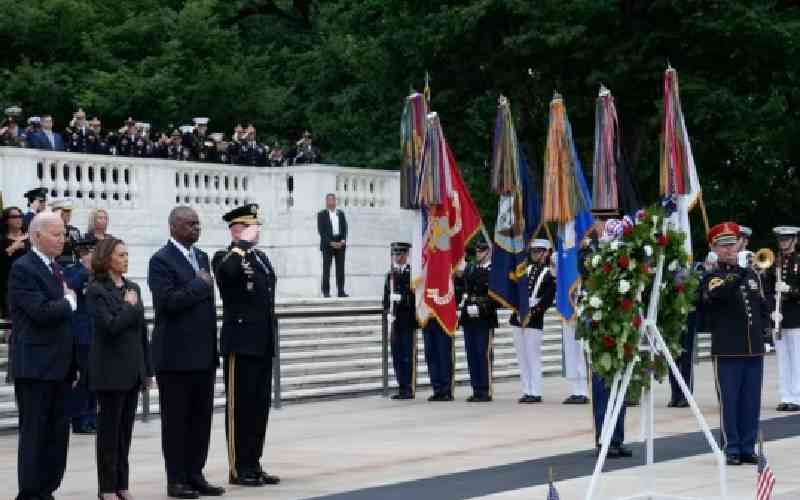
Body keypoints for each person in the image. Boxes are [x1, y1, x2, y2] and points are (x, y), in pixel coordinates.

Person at [147, 206, 224, 498]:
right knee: (176, 422)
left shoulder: (202, 257)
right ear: (174, 226)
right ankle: (176, 479)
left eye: (198, 224)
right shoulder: (161, 261)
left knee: (201, 420)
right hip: (176, 357)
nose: (196, 228)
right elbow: (168, 302)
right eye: (190, 224)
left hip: (203, 354)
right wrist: (198, 284)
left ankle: (195, 473)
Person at [9, 212, 77, 500]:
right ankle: (31, 492)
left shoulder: (55, 267)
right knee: (35, 434)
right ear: (36, 236)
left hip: (59, 367)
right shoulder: (23, 268)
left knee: (57, 434)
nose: (62, 240)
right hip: (35, 367)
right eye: (56, 234)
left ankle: (47, 488)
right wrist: (68, 302)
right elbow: (39, 311)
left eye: (63, 234)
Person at [212, 204, 280, 487]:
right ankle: (238, 467)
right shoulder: (224, 256)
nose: (257, 231)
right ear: (236, 229)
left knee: (258, 407)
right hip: (240, 343)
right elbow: (226, 275)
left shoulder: (261, 257)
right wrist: (240, 245)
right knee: (240, 408)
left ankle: (254, 462)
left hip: (262, 341)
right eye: (251, 226)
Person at [88, 237, 153, 500]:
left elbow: (141, 332)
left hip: (132, 370)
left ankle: (122, 484)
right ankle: (106, 487)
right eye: (121, 255)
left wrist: (147, 370)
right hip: (110, 372)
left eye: (127, 255)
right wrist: (127, 306)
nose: (126, 259)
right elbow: (109, 327)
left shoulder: (132, 287)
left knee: (125, 434)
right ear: (107, 259)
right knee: (109, 435)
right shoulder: (96, 290)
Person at [702, 222, 767, 465]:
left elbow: (760, 306)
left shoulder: (751, 275)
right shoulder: (712, 276)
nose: (730, 249)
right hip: (728, 350)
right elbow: (719, 294)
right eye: (724, 246)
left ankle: (748, 447)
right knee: (730, 401)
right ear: (714, 248)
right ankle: (732, 448)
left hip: (753, 348)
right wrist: (739, 273)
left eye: (732, 244)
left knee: (751, 401)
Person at [582, 216, 631, 458]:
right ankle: (604, 439)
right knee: (603, 388)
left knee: (620, 386)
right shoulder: (593, 262)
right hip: (601, 334)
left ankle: (617, 437)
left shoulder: (622, 267)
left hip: (621, 331)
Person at [509, 239, 556, 404]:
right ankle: (526, 389)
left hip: (534, 318)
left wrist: (533, 312)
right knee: (522, 356)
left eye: (538, 251)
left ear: (545, 253)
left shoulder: (550, 273)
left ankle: (535, 391)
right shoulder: (526, 269)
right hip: (519, 316)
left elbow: (547, 299)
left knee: (532, 356)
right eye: (533, 251)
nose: (535, 254)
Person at [63, 236, 97, 435]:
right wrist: (85, 269)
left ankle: (92, 416)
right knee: (83, 378)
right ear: (81, 253)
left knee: (93, 378)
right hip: (80, 333)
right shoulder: (72, 270)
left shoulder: (98, 273)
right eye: (88, 251)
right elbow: (71, 286)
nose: (92, 254)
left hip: (96, 332)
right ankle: (79, 419)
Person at [459, 239, 498, 402]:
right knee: (471, 354)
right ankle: (476, 388)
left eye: (481, 251)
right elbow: (465, 289)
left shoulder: (494, 271)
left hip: (484, 318)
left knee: (483, 353)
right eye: (477, 251)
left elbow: (496, 296)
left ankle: (485, 389)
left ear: (488, 252)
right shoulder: (471, 268)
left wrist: (482, 307)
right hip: (469, 317)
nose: (478, 254)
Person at [769, 226, 800, 412]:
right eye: (781, 240)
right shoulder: (774, 262)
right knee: (782, 357)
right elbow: (765, 288)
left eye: (787, 239)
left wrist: (790, 290)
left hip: (796, 316)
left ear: (795, 240)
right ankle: (785, 395)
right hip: (778, 316)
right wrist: (771, 309)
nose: (783, 243)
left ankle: (797, 396)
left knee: (796, 357)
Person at [383, 242, 417, 399]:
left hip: (408, 320)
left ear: (406, 255)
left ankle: (409, 387)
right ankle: (401, 386)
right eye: (395, 254)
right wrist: (387, 312)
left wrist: (402, 299)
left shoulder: (412, 274)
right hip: (395, 320)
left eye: (400, 254)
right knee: (396, 355)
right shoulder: (390, 275)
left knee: (407, 355)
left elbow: (416, 298)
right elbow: (385, 298)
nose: (397, 257)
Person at [317, 193, 348, 298]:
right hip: (327, 245)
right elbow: (321, 232)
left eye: (332, 200)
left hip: (340, 244)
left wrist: (342, 241)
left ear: (335, 201)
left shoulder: (341, 214)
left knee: (341, 269)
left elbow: (344, 229)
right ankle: (326, 292)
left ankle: (341, 291)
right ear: (326, 202)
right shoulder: (321, 214)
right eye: (329, 200)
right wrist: (331, 243)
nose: (331, 202)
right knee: (326, 269)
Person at [1, 206, 30, 319]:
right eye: (14, 217)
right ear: (7, 220)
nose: (18, 219)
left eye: (20, 216)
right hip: (9, 286)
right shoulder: (3, 239)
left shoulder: (30, 238)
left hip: (29, 285)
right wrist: (12, 248)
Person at [51, 199, 82, 266]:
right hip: (55, 265)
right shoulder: (49, 230)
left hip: (71, 264)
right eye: (65, 211)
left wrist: (74, 242)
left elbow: (79, 252)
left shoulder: (74, 230)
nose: (68, 214)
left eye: (69, 212)